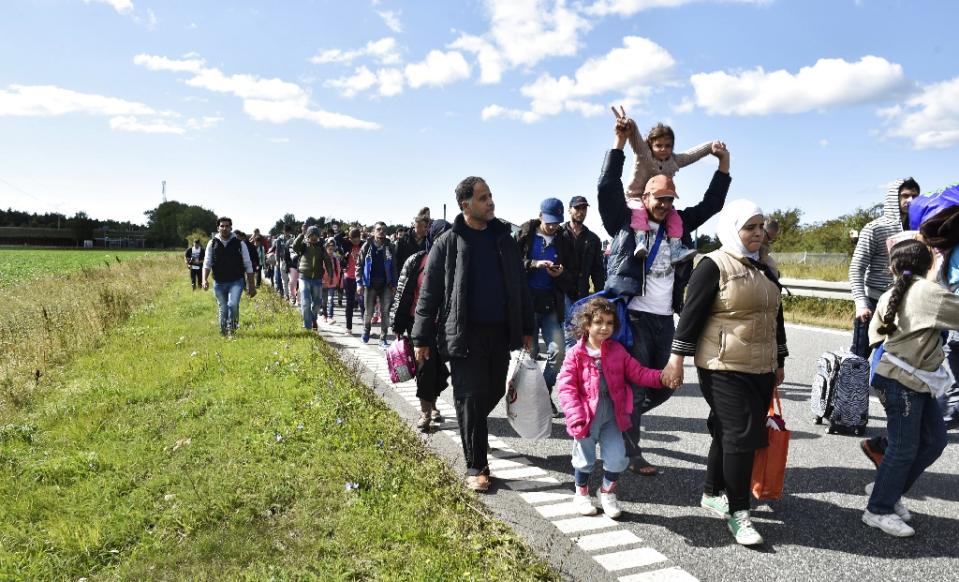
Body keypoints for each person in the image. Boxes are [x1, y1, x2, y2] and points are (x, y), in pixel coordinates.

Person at [600, 109, 731, 476]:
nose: (664, 205)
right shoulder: (625, 225)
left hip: (664, 319)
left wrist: (723, 165)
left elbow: (711, 206)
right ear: (645, 198)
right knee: (638, 387)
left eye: (670, 200)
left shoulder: (679, 228)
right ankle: (632, 452)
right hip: (636, 317)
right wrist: (619, 144)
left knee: (666, 384)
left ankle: (619, 414)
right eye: (659, 199)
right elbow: (606, 188)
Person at [662, 199, 787, 546]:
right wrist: (676, 360)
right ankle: (739, 512)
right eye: (751, 227)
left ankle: (711, 491)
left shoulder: (766, 266)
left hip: (760, 366)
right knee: (741, 435)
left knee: (726, 431)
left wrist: (780, 359)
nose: (759, 233)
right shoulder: (713, 265)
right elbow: (690, 316)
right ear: (733, 229)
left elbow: (775, 316)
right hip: (721, 366)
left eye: (761, 226)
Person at [411, 176, 533, 492]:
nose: (490, 202)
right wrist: (420, 338)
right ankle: (476, 465)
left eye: (491, 196)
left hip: (499, 333)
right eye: (483, 198)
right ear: (466, 205)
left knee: (491, 390)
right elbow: (430, 294)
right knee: (470, 396)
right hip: (463, 335)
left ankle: (473, 427)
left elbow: (520, 287)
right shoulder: (448, 243)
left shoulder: (503, 240)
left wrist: (527, 329)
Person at [863, 239, 959, 537]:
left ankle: (885, 489)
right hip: (901, 381)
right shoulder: (929, 293)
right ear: (930, 264)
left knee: (934, 441)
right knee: (904, 448)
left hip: (906, 377)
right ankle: (878, 509)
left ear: (892, 266)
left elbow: (875, 336)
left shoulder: (891, 293)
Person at [557, 297, 670, 519]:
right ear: (587, 325)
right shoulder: (576, 355)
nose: (604, 327)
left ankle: (606, 492)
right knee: (584, 458)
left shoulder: (618, 351)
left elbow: (638, 372)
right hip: (586, 415)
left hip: (613, 413)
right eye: (599, 322)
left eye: (609, 323)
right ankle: (581, 493)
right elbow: (567, 388)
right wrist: (575, 415)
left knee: (619, 457)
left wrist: (662, 377)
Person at [849, 178, 920, 466]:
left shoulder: (920, 229)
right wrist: (860, 302)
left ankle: (896, 418)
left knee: (893, 368)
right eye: (905, 195)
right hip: (872, 302)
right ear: (894, 197)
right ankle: (848, 411)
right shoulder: (875, 228)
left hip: (904, 307)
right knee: (858, 361)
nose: (910, 200)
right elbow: (857, 267)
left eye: (915, 195)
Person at [622, 111, 721, 264]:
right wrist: (630, 125)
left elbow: (692, 154)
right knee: (639, 211)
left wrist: (710, 146)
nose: (663, 149)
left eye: (668, 146)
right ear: (650, 145)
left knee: (675, 218)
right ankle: (640, 240)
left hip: (659, 200)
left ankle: (675, 248)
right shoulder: (644, 154)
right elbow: (635, 141)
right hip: (636, 196)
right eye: (658, 145)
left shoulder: (674, 160)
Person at [392, 219, 453, 431]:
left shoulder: (456, 264)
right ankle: (426, 412)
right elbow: (402, 293)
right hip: (418, 323)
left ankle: (433, 403)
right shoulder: (417, 261)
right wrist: (397, 323)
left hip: (444, 325)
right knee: (425, 367)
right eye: (442, 237)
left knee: (437, 368)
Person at [517, 197, 575, 416]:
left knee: (559, 352)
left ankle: (543, 393)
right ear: (540, 215)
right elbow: (513, 264)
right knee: (529, 355)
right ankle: (526, 401)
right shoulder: (525, 234)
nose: (552, 226)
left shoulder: (564, 239)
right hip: (527, 303)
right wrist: (533, 264)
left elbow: (570, 275)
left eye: (556, 222)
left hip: (551, 304)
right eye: (549, 221)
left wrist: (561, 274)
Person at [202, 217, 256, 336]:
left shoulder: (239, 244)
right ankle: (223, 333)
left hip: (236, 281)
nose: (224, 228)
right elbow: (207, 263)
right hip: (219, 282)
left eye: (227, 226)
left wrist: (251, 285)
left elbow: (248, 264)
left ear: (231, 227)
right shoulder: (212, 244)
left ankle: (232, 329)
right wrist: (204, 280)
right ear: (218, 228)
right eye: (222, 226)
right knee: (223, 308)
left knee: (233, 304)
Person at [559, 195, 606, 307]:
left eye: (584, 208)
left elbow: (597, 270)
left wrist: (601, 295)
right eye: (577, 208)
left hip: (582, 295)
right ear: (569, 210)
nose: (581, 212)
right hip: (561, 293)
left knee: (580, 324)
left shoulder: (593, 239)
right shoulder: (558, 234)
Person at [357, 221, 397, 347]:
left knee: (385, 312)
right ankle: (366, 330)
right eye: (379, 229)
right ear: (373, 231)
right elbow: (359, 265)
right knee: (368, 312)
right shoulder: (367, 246)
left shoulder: (390, 246)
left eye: (384, 229)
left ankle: (383, 338)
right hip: (370, 284)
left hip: (386, 284)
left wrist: (394, 284)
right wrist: (359, 283)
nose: (381, 231)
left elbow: (394, 267)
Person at [292, 225, 333, 332]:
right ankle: (308, 326)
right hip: (304, 278)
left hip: (317, 279)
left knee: (317, 304)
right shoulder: (303, 246)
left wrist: (330, 275)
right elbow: (295, 246)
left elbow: (328, 262)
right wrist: (302, 234)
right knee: (305, 302)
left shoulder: (321, 248)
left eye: (316, 235)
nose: (314, 237)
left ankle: (313, 318)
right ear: (308, 236)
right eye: (311, 235)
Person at [334, 227, 363, 335]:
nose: (356, 240)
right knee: (349, 303)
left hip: (361, 278)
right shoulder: (347, 244)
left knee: (362, 302)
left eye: (357, 238)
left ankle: (366, 327)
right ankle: (348, 328)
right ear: (350, 238)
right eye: (353, 238)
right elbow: (336, 238)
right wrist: (345, 232)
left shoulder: (363, 245)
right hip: (349, 277)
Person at [394, 212, 430, 281]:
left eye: (428, 226)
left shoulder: (429, 241)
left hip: (422, 280)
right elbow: (396, 263)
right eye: (425, 226)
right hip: (406, 280)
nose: (427, 229)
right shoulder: (402, 241)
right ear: (417, 226)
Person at [321, 238, 343, 324]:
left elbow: (338, 270)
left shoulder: (335, 259)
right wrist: (322, 280)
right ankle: (324, 315)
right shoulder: (322, 259)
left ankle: (330, 316)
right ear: (326, 248)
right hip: (323, 282)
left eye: (332, 249)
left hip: (332, 282)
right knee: (324, 300)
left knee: (331, 299)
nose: (331, 251)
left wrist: (337, 281)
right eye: (329, 249)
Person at [270, 225, 293, 299]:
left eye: (288, 231)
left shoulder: (293, 239)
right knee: (284, 280)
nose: (287, 233)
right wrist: (277, 261)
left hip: (292, 262)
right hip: (283, 261)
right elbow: (277, 251)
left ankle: (292, 295)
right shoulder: (279, 239)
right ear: (283, 231)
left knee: (292, 280)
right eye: (286, 231)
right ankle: (286, 295)